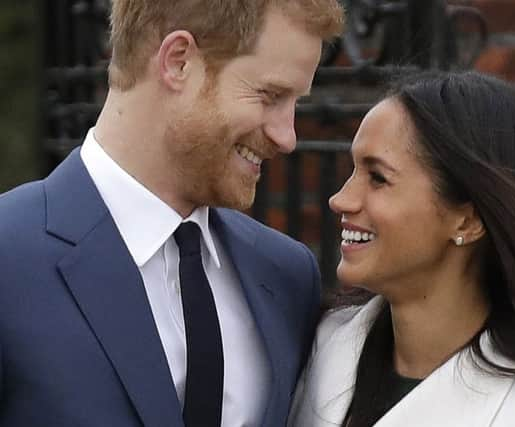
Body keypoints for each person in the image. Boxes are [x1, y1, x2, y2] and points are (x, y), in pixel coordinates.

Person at [0, 1, 343, 426]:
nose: (286, 136)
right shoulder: (9, 256)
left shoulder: (286, 275)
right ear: (178, 62)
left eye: (295, 102)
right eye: (270, 95)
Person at [288, 71, 515, 427]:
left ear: (467, 221)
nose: (340, 200)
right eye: (354, 172)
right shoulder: (326, 348)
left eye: (378, 178)